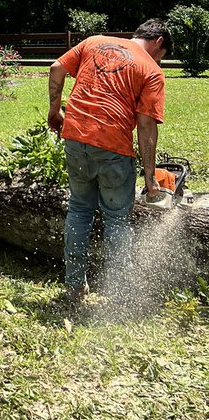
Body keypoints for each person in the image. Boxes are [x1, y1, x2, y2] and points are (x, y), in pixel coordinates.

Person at [48, 18, 172, 304]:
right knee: (117, 221)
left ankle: (75, 288)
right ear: (159, 43)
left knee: (79, 210)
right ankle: (121, 295)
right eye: (162, 56)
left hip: (76, 140)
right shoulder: (151, 70)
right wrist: (150, 176)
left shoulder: (94, 42)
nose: (160, 61)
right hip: (113, 148)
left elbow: (56, 68)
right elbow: (146, 126)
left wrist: (55, 111)